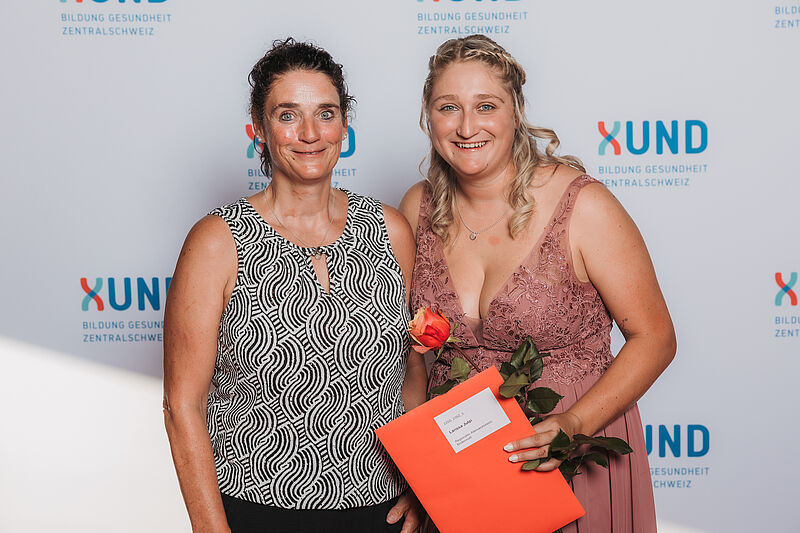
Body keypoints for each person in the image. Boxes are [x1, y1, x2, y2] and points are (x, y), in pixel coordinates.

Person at [400, 35, 676, 533]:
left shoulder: (584, 206)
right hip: (460, 458)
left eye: (486, 106)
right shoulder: (417, 206)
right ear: (428, 116)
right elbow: (407, 353)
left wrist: (574, 424)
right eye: (448, 107)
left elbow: (655, 337)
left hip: (570, 446)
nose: (467, 127)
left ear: (517, 111)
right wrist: (419, 464)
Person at [163, 38, 426, 533]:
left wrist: (423, 481)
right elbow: (182, 406)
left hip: (381, 510)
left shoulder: (390, 229)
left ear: (344, 126)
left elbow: (411, 369)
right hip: (256, 511)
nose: (309, 134)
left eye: (326, 114)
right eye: (288, 115)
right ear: (259, 130)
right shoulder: (217, 240)